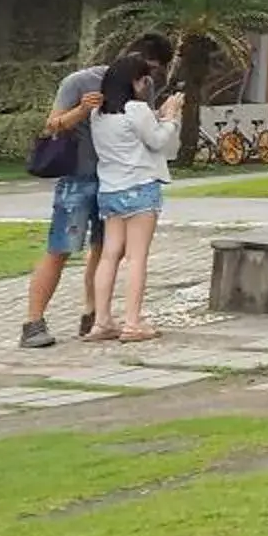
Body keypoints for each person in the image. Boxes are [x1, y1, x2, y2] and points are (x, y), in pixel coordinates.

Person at [22, 34, 174, 350]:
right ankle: (33, 322)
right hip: (78, 177)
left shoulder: (143, 87)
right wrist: (81, 110)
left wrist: (159, 118)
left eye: (154, 72)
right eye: (148, 69)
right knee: (61, 248)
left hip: (115, 182)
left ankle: (94, 315)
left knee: (106, 251)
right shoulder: (79, 81)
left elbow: (141, 129)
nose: (148, 78)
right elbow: (51, 126)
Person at [85, 48, 185, 344]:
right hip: (140, 187)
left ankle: (101, 320)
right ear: (134, 81)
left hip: (110, 190)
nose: (146, 87)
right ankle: (132, 322)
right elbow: (157, 141)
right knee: (137, 257)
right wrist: (171, 117)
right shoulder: (137, 110)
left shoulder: (97, 114)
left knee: (109, 254)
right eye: (143, 81)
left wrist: (157, 115)